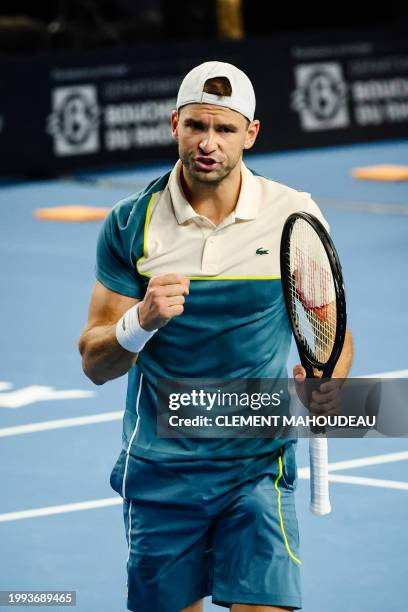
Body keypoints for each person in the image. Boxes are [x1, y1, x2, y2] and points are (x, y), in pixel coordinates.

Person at [78, 61, 353, 612]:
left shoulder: (293, 214)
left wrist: (327, 386)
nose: (209, 143)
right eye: (196, 126)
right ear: (174, 123)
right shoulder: (132, 223)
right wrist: (140, 323)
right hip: (161, 470)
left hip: (257, 464)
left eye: (225, 129)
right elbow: (95, 361)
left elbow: (331, 335)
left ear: (251, 134)